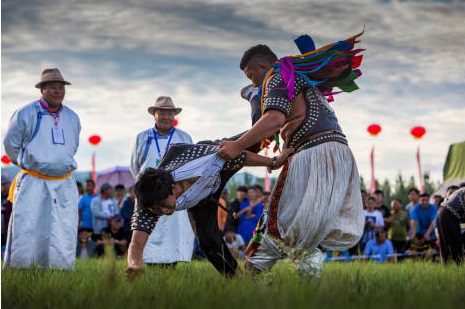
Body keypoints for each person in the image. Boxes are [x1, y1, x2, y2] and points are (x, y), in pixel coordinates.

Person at [217, 40, 364, 277]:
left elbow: (274, 120)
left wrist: (237, 145)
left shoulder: (277, 75)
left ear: (263, 65)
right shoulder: (305, 80)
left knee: (278, 221)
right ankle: (308, 279)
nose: (251, 80)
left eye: (250, 73)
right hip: (340, 154)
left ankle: (254, 276)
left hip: (312, 153)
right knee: (314, 227)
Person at [126, 143, 293, 277]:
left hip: (217, 169)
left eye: (162, 206)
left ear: (172, 188)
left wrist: (273, 162)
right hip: (201, 200)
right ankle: (237, 279)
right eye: (156, 210)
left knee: (255, 139)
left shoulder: (201, 159)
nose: (161, 212)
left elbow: (239, 155)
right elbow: (137, 243)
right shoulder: (148, 202)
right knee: (208, 241)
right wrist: (135, 265)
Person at [3, 68, 81, 269]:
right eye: (53, 87)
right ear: (42, 89)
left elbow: (73, 146)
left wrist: (57, 162)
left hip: (64, 181)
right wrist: (26, 163)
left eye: (61, 87)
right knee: (29, 225)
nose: (58, 91)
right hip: (34, 179)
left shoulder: (72, 117)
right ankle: (23, 267)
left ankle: (60, 267)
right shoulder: (26, 113)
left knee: (63, 226)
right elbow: (10, 143)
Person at [131, 96, 195, 266]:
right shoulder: (142, 137)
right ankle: (147, 263)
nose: (167, 117)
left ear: (175, 115)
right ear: (154, 114)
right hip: (150, 194)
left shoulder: (184, 137)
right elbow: (135, 167)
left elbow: (191, 167)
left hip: (174, 192)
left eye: (170, 113)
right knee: (148, 231)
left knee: (174, 231)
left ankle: (171, 263)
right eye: (162, 113)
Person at [436, 188, 464, 265]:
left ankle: (454, 266)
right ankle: (454, 267)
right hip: (447, 214)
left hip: (448, 214)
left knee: (454, 244)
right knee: (452, 244)